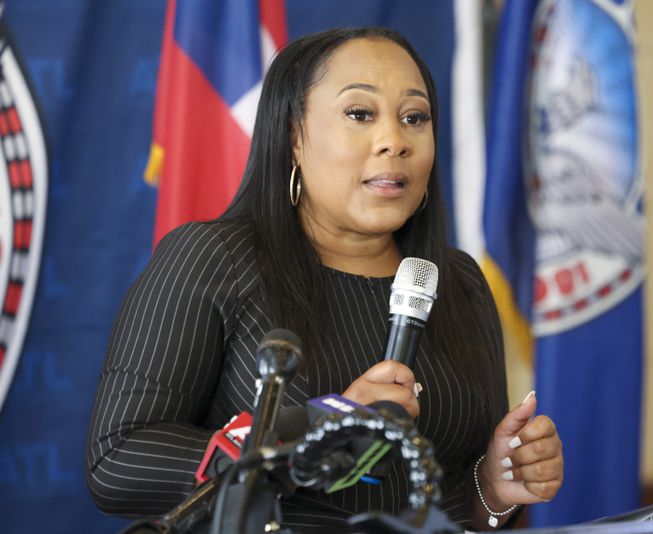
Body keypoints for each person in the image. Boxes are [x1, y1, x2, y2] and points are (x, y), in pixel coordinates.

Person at [85, 27, 563, 532]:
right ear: (294, 135)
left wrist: (494, 486)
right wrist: (321, 428)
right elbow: (117, 462)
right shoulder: (212, 258)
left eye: (414, 118)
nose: (394, 142)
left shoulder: (458, 280)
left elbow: (451, 505)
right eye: (360, 114)